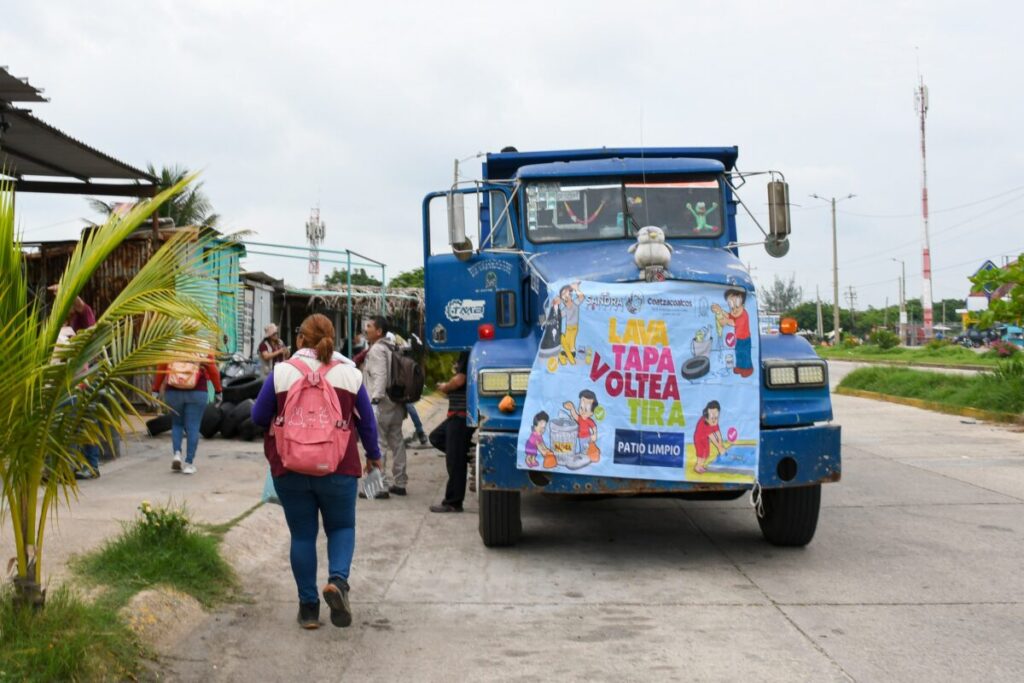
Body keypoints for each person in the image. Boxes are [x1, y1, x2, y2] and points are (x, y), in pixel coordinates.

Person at [252, 313, 382, 630]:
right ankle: (337, 582)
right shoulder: (349, 375)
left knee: (302, 536)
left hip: (290, 467)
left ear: (300, 340)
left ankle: (308, 609)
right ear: (332, 339)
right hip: (338, 466)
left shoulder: (282, 372)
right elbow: (367, 422)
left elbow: (257, 416)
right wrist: (374, 457)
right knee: (341, 528)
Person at [361, 315, 408, 497]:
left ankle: (379, 487)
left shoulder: (377, 350)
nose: (366, 329)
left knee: (378, 443)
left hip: (382, 402)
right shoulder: (392, 346)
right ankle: (400, 482)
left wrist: (374, 401)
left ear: (379, 331)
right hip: (395, 401)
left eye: (370, 326)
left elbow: (380, 376)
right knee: (397, 441)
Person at [152, 354, 222, 475]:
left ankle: (177, 454)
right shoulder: (202, 348)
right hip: (197, 392)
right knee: (193, 427)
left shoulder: (173, 346)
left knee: (177, 424)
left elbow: (161, 368)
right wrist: (218, 390)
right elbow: (213, 370)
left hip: (173, 391)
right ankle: (189, 464)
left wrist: (156, 389)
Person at [428, 351, 473, 513]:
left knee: (455, 460)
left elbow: (460, 380)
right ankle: (472, 457)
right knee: (436, 437)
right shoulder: (466, 350)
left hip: (462, 412)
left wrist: (445, 387)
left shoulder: (468, 351)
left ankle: (453, 502)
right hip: (458, 412)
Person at [693, 400, 729, 475]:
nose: (714, 420)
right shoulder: (705, 422)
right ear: (707, 415)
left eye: (716, 417)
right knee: (701, 454)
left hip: (705, 438)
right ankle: (698, 466)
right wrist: (719, 447)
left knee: (706, 453)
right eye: (712, 417)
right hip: (699, 438)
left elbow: (718, 433)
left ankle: (701, 465)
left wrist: (721, 445)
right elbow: (712, 437)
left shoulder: (714, 422)